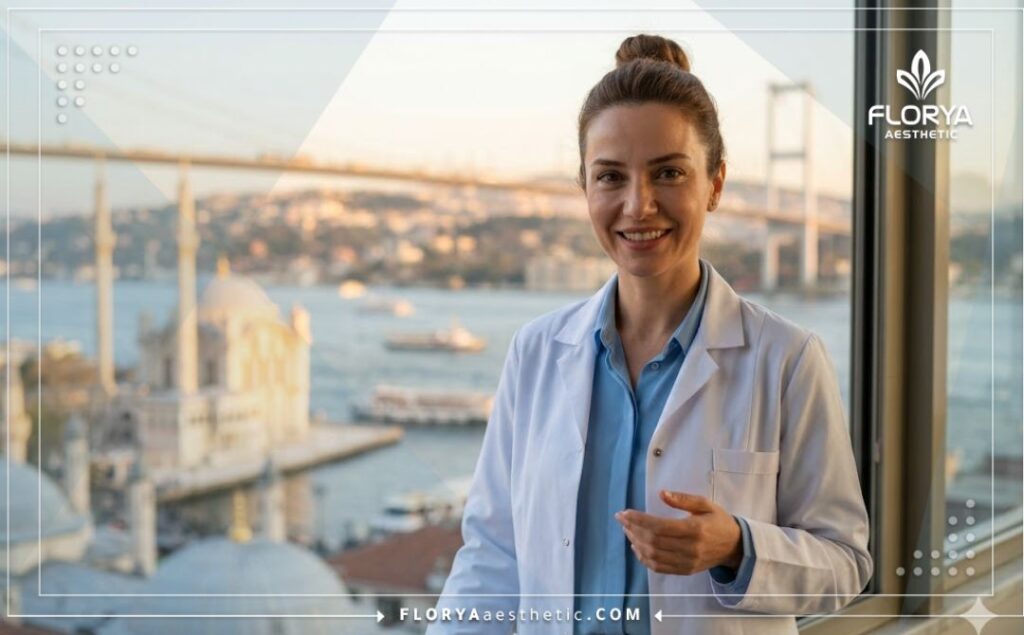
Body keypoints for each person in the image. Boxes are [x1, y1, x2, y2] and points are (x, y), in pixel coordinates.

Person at [427, 34, 872, 635]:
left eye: (668, 172)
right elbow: (490, 558)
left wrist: (737, 548)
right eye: (610, 176)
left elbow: (845, 563)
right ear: (584, 187)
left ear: (715, 183)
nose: (639, 206)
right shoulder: (535, 352)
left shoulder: (787, 360)